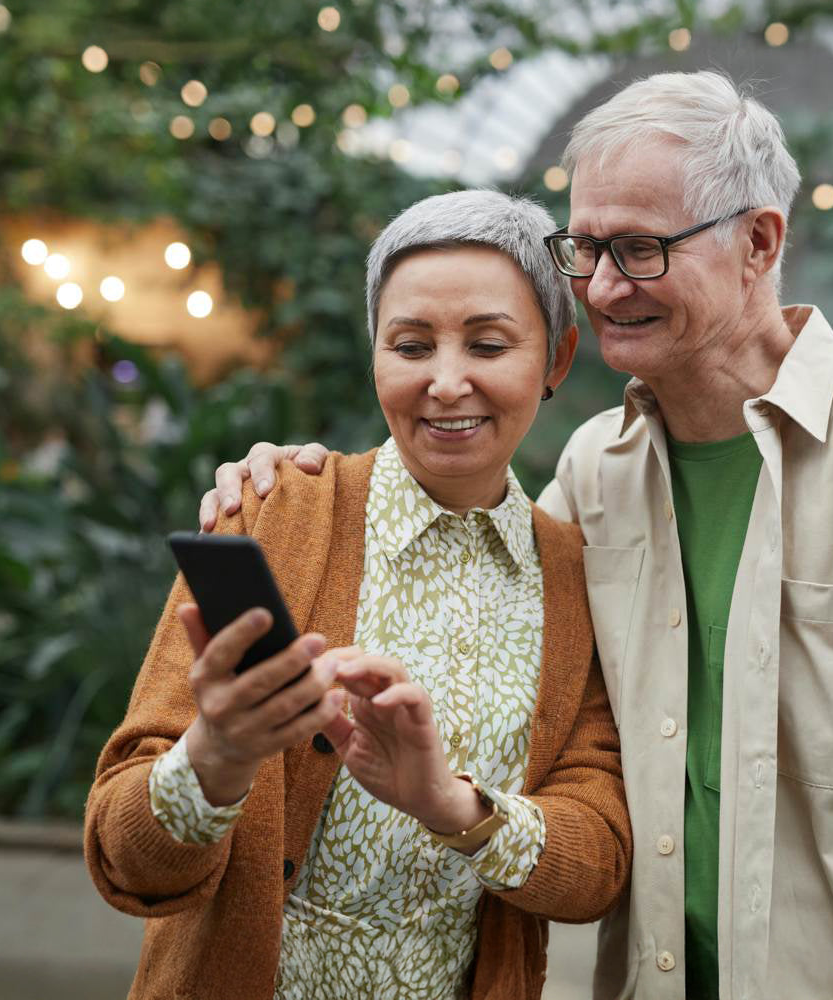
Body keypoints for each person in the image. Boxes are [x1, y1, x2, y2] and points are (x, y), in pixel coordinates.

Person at [203, 72, 833, 999]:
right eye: (585, 249)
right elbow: (464, 541)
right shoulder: (595, 474)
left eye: (639, 248)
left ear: (759, 243)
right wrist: (306, 482)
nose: (600, 286)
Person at [85, 189, 630, 1000]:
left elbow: (598, 864)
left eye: (488, 344)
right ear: (375, 353)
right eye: (411, 346)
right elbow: (123, 857)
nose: (447, 382)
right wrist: (216, 757)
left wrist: (453, 807)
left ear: (556, 359)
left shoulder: (573, 576)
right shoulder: (276, 514)